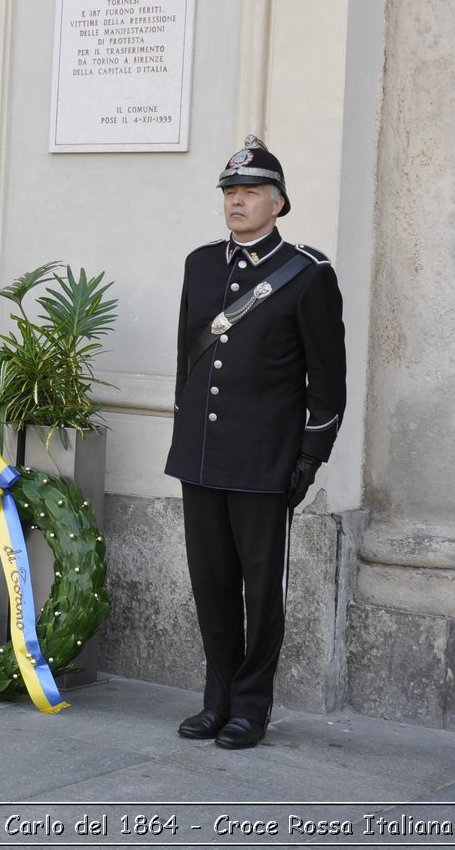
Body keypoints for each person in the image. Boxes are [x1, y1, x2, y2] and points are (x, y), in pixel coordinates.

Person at [165, 135, 346, 749]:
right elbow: (188, 359)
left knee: (261, 588)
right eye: (230, 193)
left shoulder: (306, 274)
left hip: (265, 457)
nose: (237, 203)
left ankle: (251, 705)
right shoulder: (200, 264)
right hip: (203, 455)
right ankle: (216, 699)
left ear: (279, 203)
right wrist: (184, 433)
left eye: (250, 193)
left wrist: (309, 457)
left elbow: (327, 381)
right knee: (211, 580)